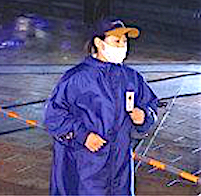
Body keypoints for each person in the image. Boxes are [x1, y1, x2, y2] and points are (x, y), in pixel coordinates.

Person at [44, 19, 159, 196]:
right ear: (99, 43)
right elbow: (54, 116)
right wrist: (83, 136)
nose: (122, 47)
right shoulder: (77, 78)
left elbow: (150, 105)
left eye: (124, 42)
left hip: (120, 167)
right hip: (86, 166)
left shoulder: (131, 77)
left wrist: (144, 116)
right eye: (116, 41)